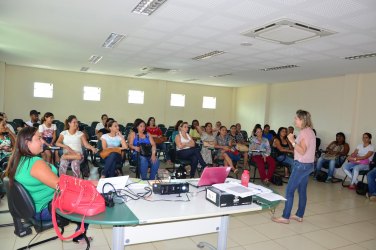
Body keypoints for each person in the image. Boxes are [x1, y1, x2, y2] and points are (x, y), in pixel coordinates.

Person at [5, 127, 92, 243]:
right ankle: (80, 236)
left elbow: (53, 181)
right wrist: (88, 184)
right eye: (39, 138)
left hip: (35, 210)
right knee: (87, 203)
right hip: (46, 210)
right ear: (27, 143)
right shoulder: (35, 163)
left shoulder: (18, 161)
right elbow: (62, 187)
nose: (42, 141)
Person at [272, 110, 316, 224]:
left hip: (301, 165)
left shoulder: (305, 132)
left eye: (296, 118)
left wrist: (292, 141)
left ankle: (285, 217)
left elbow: (302, 150)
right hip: (308, 165)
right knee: (302, 191)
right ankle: (299, 215)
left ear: (302, 119)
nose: (294, 120)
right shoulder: (310, 131)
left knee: (289, 191)